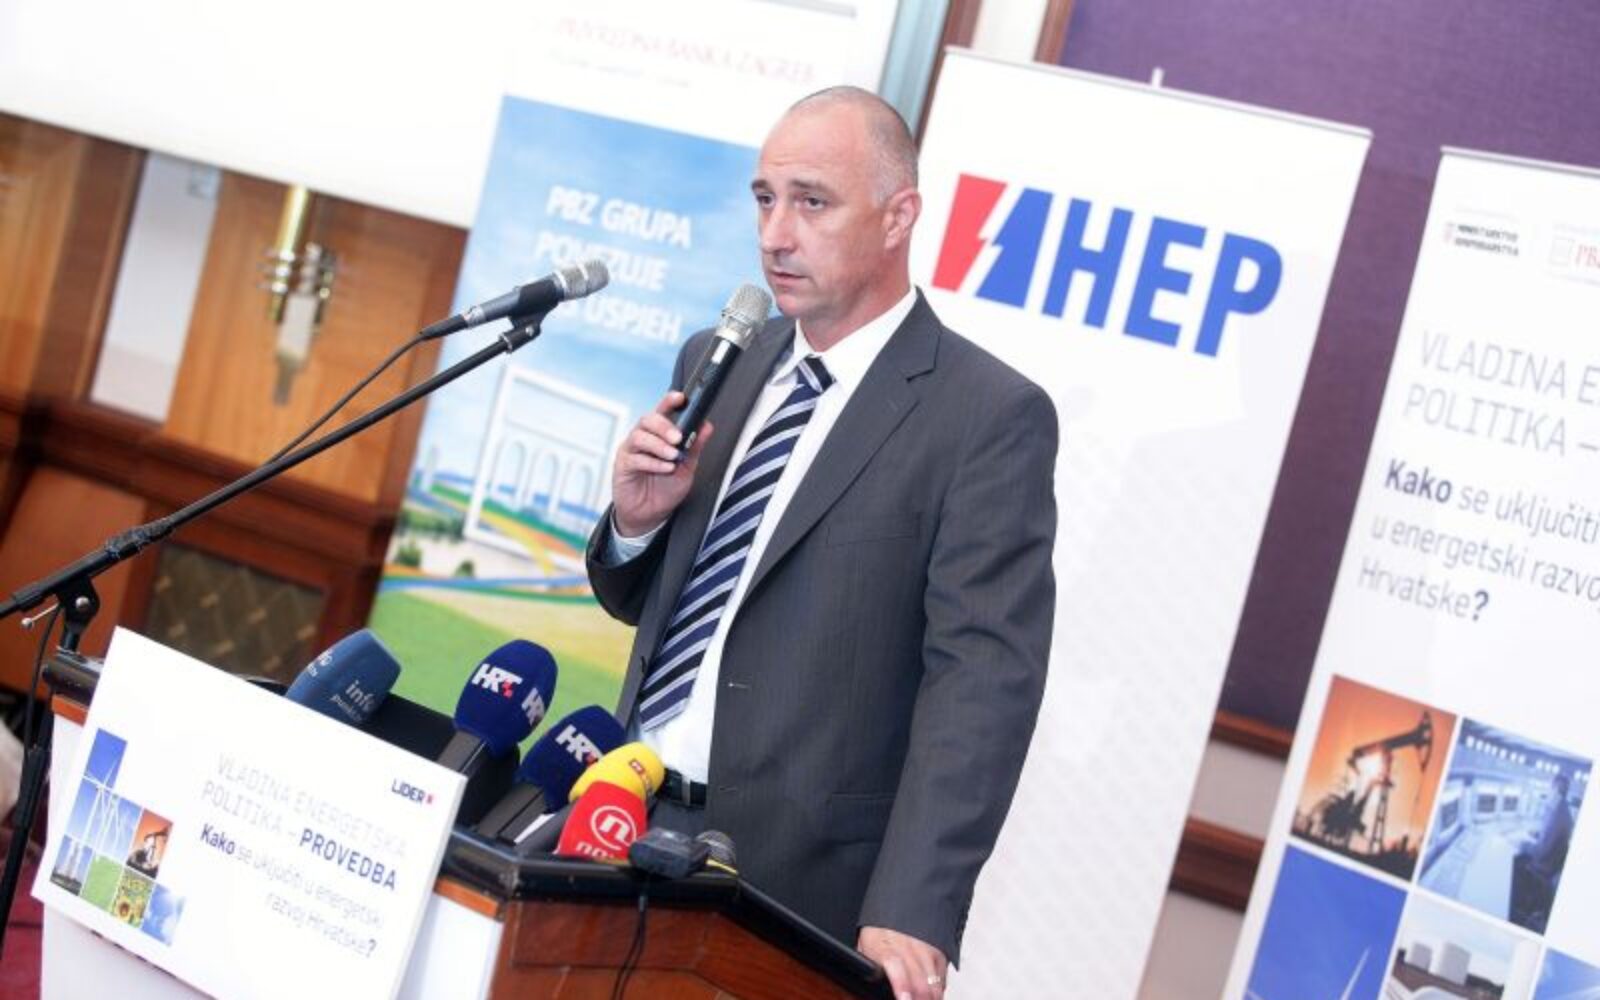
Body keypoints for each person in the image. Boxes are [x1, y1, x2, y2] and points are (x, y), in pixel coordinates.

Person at [586, 86, 1056, 1000]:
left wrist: (915, 905)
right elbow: (661, 605)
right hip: (619, 821)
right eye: (765, 199)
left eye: (812, 202)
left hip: (793, 884)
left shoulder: (986, 417)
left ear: (898, 216)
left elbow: (984, 684)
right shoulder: (717, 360)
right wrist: (637, 525)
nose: (775, 235)